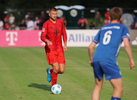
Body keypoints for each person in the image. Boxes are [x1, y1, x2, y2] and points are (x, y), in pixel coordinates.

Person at [88, 7, 135, 100]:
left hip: (97, 58)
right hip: (109, 59)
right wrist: (131, 59)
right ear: (121, 18)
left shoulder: (103, 28)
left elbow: (90, 47)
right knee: (119, 89)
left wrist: (91, 59)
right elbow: (126, 44)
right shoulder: (123, 28)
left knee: (97, 87)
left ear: (109, 17)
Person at [40, 7, 67, 86]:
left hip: (60, 49)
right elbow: (42, 36)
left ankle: (50, 71)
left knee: (62, 70)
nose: (55, 15)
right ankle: (53, 86)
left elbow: (64, 33)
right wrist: (47, 41)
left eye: (56, 14)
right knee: (56, 68)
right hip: (51, 49)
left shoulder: (61, 23)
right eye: (53, 14)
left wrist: (65, 45)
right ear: (49, 14)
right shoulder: (46, 24)